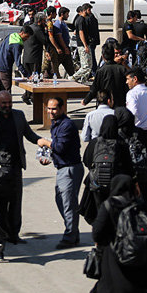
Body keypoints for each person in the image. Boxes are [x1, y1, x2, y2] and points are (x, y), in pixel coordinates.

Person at [0, 91, 49, 261]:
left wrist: (41, 141)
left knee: (15, 201)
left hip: (15, 166)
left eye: (9, 103)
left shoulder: (19, 116)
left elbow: (29, 134)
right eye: (4, 103)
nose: (7, 106)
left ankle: (14, 234)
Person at [46, 97, 83, 248]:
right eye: (49, 108)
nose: (51, 112)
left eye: (54, 109)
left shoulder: (66, 125)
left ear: (62, 109)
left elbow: (60, 147)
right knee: (61, 200)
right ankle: (73, 232)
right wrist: (49, 156)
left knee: (68, 204)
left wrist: (46, 143)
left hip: (70, 169)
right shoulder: (56, 125)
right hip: (62, 168)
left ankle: (70, 236)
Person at [0, 27, 30, 111]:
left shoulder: (11, 36)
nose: (26, 39)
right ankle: (6, 112)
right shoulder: (17, 44)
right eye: (26, 36)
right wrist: (27, 75)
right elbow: (18, 62)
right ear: (22, 33)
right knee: (6, 91)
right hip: (5, 68)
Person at [83, 42, 129, 109]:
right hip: (121, 104)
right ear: (114, 55)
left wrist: (85, 100)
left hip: (104, 104)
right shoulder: (122, 69)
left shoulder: (101, 70)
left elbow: (94, 88)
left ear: (103, 56)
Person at [125, 67, 147, 160]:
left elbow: (132, 113)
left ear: (135, 79)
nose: (126, 82)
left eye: (128, 79)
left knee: (137, 162)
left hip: (136, 132)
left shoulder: (132, 94)